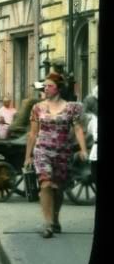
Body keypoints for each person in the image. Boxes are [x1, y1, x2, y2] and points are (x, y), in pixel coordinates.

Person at [24, 71, 88, 238]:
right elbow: (32, 134)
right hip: (42, 150)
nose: (46, 88)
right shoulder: (37, 108)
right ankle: (48, 223)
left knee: (58, 189)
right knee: (45, 184)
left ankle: (55, 218)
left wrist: (83, 149)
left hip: (63, 153)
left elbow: (78, 129)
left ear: (58, 88)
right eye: (44, 86)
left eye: (49, 86)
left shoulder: (71, 108)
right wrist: (28, 156)